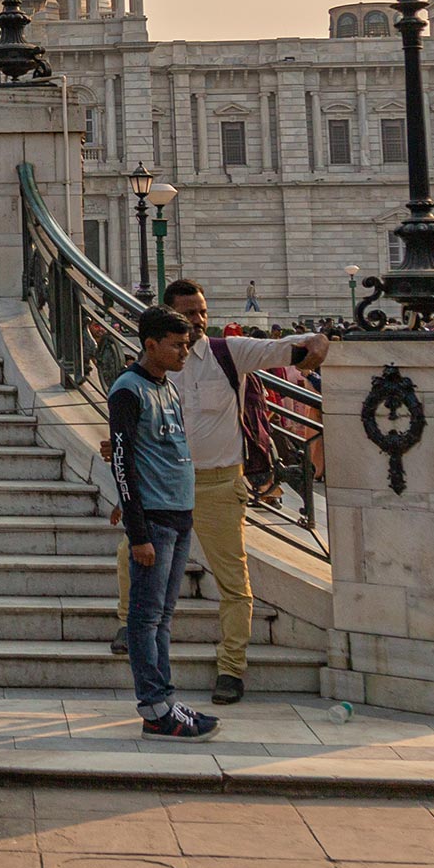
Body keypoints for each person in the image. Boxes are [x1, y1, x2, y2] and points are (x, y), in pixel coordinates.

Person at [160, 279, 329, 705]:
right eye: (189, 313)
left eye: (202, 311)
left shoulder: (226, 352)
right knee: (134, 563)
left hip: (219, 483)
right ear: (168, 315)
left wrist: (320, 340)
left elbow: (276, 349)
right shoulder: (155, 364)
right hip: (166, 483)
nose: (199, 320)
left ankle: (231, 667)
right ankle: (134, 633)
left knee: (234, 581)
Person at [111, 306, 219, 741]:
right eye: (176, 344)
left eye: (187, 343)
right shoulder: (127, 390)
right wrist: (137, 532)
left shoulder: (169, 389)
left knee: (164, 616)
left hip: (178, 514)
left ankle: (166, 699)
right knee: (145, 616)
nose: (184, 351)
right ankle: (155, 708)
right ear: (150, 344)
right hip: (153, 520)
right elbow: (123, 461)